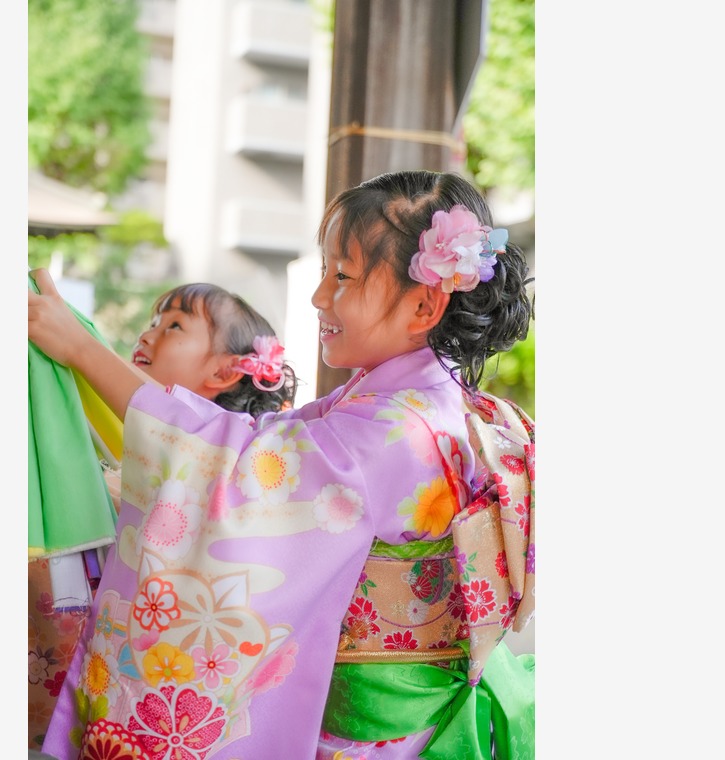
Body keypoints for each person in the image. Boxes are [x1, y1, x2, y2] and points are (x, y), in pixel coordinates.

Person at [28, 170, 535, 760]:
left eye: (342, 276)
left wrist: (84, 352)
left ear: (424, 303)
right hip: (403, 713)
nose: (321, 296)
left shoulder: (400, 430)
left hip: (376, 729)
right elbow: (257, 441)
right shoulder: (411, 401)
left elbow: (231, 474)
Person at [28, 282, 297, 750]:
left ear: (226, 370)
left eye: (174, 325)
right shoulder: (114, 431)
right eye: (153, 321)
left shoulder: (220, 468)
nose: (149, 335)